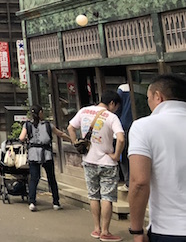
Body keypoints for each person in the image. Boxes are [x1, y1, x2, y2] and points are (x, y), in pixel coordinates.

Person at [128, 73, 186, 242]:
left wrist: (136, 230)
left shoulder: (143, 127)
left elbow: (139, 182)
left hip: (170, 229)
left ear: (158, 97)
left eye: (148, 98)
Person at [68, 90, 125, 242]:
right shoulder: (112, 117)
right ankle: (105, 232)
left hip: (89, 160)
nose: (116, 109)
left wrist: (76, 144)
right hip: (107, 163)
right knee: (107, 196)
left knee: (93, 195)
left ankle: (96, 229)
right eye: (116, 106)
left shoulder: (84, 111)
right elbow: (120, 138)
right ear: (112, 103)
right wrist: (115, 155)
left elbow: (70, 128)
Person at [20, 105, 68, 212]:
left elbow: (21, 138)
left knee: (34, 178)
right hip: (46, 153)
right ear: (40, 112)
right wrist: (71, 139)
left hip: (33, 153)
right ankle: (56, 202)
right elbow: (60, 134)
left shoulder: (27, 125)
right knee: (51, 178)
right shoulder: (48, 125)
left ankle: (32, 202)